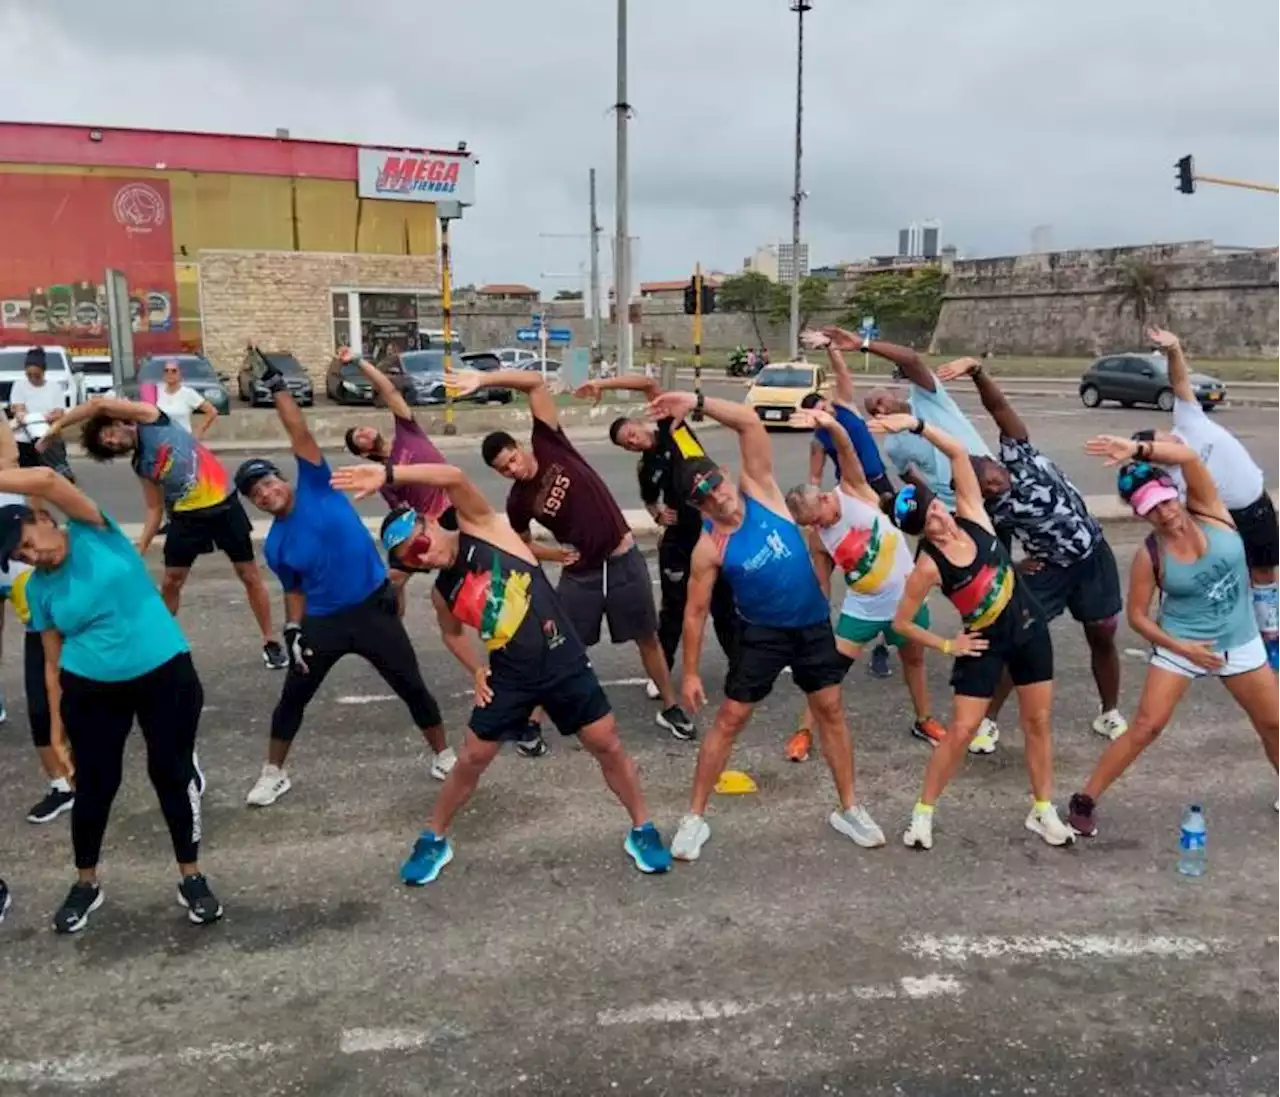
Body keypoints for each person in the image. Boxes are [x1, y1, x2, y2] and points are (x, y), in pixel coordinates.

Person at [329, 458, 673, 885]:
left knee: (606, 743)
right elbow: (452, 635)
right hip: (510, 675)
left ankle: (642, 828)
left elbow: (452, 475)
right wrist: (476, 670)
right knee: (473, 757)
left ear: (431, 524)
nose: (425, 552)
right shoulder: (443, 592)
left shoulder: (483, 528)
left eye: (421, 539)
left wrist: (389, 474)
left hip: (563, 659)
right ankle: (434, 838)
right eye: (413, 557)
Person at [651, 390, 884, 862]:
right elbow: (693, 614)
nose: (719, 495)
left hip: (813, 625)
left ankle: (850, 808)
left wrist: (697, 401)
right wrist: (691, 673)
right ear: (697, 506)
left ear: (724, 476)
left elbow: (749, 425)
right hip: (761, 635)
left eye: (716, 483)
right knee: (730, 719)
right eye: (705, 496)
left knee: (831, 711)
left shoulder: (758, 489)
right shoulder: (709, 547)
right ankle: (694, 817)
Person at [0, 466, 221, 934]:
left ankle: (191, 875)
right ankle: (86, 883)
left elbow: (44, 477)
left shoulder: (94, 531)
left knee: (172, 775)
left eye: (26, 539)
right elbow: (51, 663)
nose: (29, 553)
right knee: (95, 787)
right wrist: (57, 733)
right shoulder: (37, 590)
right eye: (19, 553)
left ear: (41, 519)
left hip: (165, 674)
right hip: (91, 688)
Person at [233, 358, 455, 807]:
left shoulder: (316, 483)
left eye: (267, 482)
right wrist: (293, 630)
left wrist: (279, 390)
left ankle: (444, 755)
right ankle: (273, 773)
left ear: (281, 479)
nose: (265, 492)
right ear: (256, 505)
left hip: (373, 608)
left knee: (412, 685)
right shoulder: (275, 545)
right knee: (293, 698)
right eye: (255, 494)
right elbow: (293, 589)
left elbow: (299, 432)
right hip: (323, 622)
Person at [869, 414, 1073, 852]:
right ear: (920, 531)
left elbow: (958, 452)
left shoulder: (973, 514)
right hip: (983, 643)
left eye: (938, 509)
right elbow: (901, 623)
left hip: (1030, 630)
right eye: (931, 520)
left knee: (1037, 722)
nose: (941, 519)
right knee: (962, 730)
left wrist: (918, 425)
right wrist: (947, 644)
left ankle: (1043, 809)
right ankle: (922, 814)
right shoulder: (927, 567)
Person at [458, 367, 696, 741]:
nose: (512, 469)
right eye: (503, 469)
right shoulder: (518, 501)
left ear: (519, 448)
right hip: (581, 573)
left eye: (512, 460)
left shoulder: (550, 443)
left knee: (647, 637)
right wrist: (552, 555)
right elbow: (520, 543)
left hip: (623, 558)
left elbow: (535, 381)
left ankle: (670, 706)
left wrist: (484, 381)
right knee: (557, 646)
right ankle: (532, 724)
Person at [1066, 436, 1280, 837]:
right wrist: (1182, 648)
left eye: (1166, 502)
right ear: (1140, 514)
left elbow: (1186, 455)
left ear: (1175, 494)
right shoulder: (1152, 555)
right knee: (1146, 727)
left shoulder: (1211, 510)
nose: (1165, 515)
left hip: (1239, 639)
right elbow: (1137, 617)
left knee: (1274, 723)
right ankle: (1085, 799)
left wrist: (1137, 449)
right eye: (1151, 510)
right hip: (1181, 645)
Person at [933, 356, 1126, 754]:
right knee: (1018, 640)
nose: (989, 486)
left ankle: (1109, 712)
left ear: (990, 461)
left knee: (1103, 633)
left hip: (1093, 555)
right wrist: (1015, 567)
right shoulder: (991, 510)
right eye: (979, 488)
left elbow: (999, 409)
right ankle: (987, 721)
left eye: (985, 476)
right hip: (1050, 569)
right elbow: (985, 553)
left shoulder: (1019, 455)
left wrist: (977, 372)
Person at [40, 395, 287, 669]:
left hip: (224, 507)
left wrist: (58, 426)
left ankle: (270, 641)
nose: (111, 441)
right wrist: (140, 548)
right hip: (185, 518)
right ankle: (161, 645)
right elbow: (153, 508)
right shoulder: (141, 464)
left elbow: (98, 404)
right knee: (171, 582)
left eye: (109, 433)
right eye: (107, 444)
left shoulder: (152, 419)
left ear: (121, 423)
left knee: (249, 575)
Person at [783, 408, 947, 757]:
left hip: (906, 599)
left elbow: (847, 450)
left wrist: (830, 424)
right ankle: (803, 731)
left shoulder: (853, 491)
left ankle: (924, 719)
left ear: (825, 498)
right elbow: (823, 581)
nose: (817, 527)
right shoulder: (817, 535)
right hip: (862, 609)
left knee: (913, 661)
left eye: (816, 519)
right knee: (828, 672)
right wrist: (815, 617)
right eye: (809, 524)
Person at [582, 373, 737, 697]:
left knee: (724, 603)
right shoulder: (645, 469)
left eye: (632, 433)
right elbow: (649, 497)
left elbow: (648, 384)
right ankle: (662, 673)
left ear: (640, 423)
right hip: (679, 541)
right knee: (673, 609)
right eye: (628, 443)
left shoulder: (673, 429)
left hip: (710, 532)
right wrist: (655, 512)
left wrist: (602, 384)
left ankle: (740, 665)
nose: (634, 441)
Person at [1134, 328, 1280, 670]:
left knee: (1264, 574)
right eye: (1160, 448)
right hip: (1225, 520)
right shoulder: (1173, 482)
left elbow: (1180, 381)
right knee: (1233, 575)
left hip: (1256, 507)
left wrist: (1174, 349)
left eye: (1161, 436)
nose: (1168, 442)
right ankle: (1232, 633)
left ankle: (1271, 635)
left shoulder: (1189, 421)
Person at [799, 327, 896, 680]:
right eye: (815, 414)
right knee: (860, 561)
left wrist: (829, 348)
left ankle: (886, 640)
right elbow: (813, 480)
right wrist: (811, 514)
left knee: (893, 559)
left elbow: (843, 375)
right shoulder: (819, 439)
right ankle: (829, 634)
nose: (821, 414)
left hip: (880, 486)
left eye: (821, 407)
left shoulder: (845, 408)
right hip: (854, 492)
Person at [818, 327, 992, 507]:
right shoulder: (894, 445)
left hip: (991, 480)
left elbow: (912, 360)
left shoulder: (927, 397)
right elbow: (905, 473)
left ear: (894, 393)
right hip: (954, 502)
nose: (880, 410)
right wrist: (929, 496)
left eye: (879, 401)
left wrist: (864, 344)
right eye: (874, 411)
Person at [0, 411, 73, 823]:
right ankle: (61, 784)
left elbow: (14, 461)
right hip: (8, 564)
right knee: (38, 699)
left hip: (24, 558)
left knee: (67, 677)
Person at [9, 346, 74, 480]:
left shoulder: (54, 388)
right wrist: (38, 418)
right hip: (25, 439)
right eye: (29, 375)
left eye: (36, 375)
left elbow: (59, 413)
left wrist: (38, 418)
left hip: (48, 438)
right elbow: (19, 410)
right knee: (29, 479)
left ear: (43, 372)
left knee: (53, 477)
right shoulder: (19, 386)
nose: (33, 378)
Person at [155, 358, 219, 437]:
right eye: (166, 371)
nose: (169, 373)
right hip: (160, 442)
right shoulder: (156, 391)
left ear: (180, 373)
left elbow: (212, 411)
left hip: (182, 441)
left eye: (174, 371)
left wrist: (197, 434)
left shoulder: (188, 393)